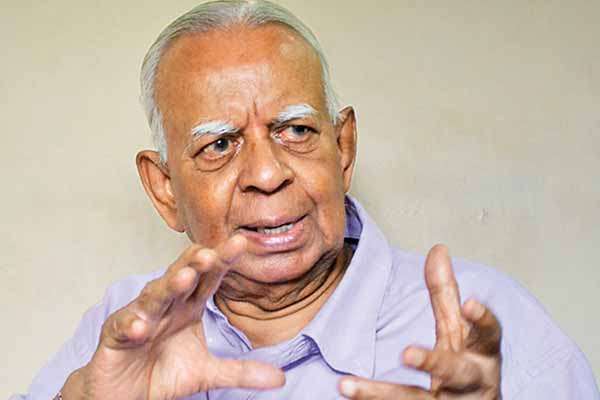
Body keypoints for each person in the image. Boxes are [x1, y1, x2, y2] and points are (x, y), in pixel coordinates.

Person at [12, 1, 599, 399]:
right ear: (165, 190)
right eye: (220, 144)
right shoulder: (127, 326)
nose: (267, 174)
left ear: (343, 149)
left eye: (295, 130)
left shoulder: (482, 321)